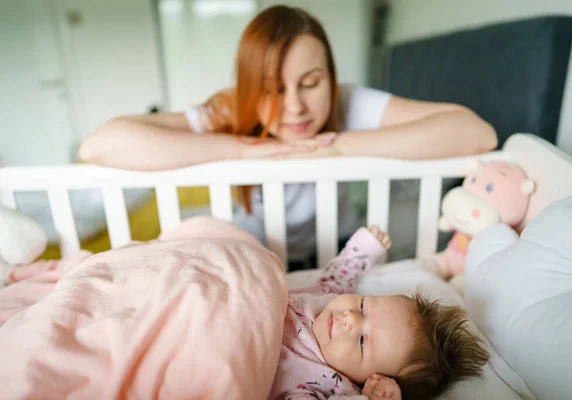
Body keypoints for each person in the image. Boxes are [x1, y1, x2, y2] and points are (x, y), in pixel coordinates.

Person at [78, 5, 498, 271]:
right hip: (254, 247)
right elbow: (99, 145)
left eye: (311, 83)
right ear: (249, 87)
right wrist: (243, 149)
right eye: (274, 88)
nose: (294, 106)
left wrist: (338, 146)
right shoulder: (232, 108)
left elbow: (476, 133)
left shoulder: (347, 101)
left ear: (330, 79)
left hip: (339, 247)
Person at [273, 224, 489, 400]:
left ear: (368, 381)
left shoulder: (320, 381)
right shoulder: (324, 301)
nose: (351, 318)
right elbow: (339, 275)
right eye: (363, 306)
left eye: (361, 342)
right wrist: (365, 247)